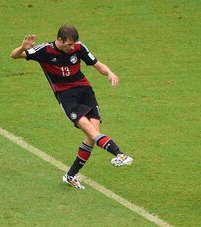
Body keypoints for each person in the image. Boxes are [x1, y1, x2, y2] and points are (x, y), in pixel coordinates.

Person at [10, 25, 133, 190]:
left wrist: (110, 73)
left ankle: (70, 175)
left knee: (92, 135)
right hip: (67, 96)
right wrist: (22, 48)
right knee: (91, 131)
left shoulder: (79, 48)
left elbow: (97, 64)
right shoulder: (44, 50)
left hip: (85, 91)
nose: (72, 47)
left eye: (74, 44)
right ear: (59, 40)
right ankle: (120, 154)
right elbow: (14, 56)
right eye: (69, 44)